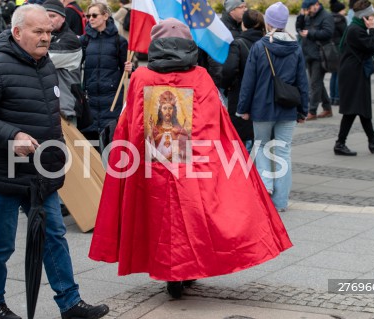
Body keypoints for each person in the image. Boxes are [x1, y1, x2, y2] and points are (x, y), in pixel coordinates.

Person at [89, 18, 292, 300]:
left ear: (156, 44)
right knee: (191, 216)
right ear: (189, 45)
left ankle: (170, 272)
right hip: (193, 164)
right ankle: (185, 269)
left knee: (158, 217)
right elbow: (216, 123)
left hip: (151, 163)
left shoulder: (142, 77)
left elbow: (129, 124)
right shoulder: (200, 77)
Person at [0, 4, 109, 319]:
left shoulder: (45, 64)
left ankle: (70, 303)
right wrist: (12, 135)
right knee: (0, 244)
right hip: (2, 173)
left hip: (41, 172)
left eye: (49, 31)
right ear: (18, 32)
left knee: (54, 238)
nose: (47, 37)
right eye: (39, 31)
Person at [237, 2, 309, 212]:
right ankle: (281, 202)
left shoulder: (260, 47)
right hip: (287, 108)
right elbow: (302, 82)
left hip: (261, 108)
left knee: (260, 147)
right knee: (283, 152)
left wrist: (243, 108)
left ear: (268, 23)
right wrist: (303, 109)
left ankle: (266, 187)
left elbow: (248, 81)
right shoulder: (295, 47)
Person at [334, 0, 374, 156]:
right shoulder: (356, 30)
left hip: (355, 73)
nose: (373, 19)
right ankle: (340, 143)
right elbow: (372, 46)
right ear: (364, 17)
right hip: (353, 75)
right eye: (371, 16)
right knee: (353, 109)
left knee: (361, 107)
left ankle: (372, 141)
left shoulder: (356, 27)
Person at [80, 2, 132, 145]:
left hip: (112, 99)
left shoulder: (119, 41)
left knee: (111, 141)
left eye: (94, 15)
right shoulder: (84, 40)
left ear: (105, 16)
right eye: (88, 15)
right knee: (91, 144)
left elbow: (127, 72)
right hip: (90, 99)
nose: (90, 18)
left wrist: (130, 68)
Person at [221, 9, 265, 152]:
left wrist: (226, 86)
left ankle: (246, 170)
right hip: (264, 95)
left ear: (244, 25)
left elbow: (228, 71)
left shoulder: (238, 44)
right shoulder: (267, 42)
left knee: (242, 139)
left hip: (241, 95)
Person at [43, 0, 83, 125]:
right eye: (45, 16)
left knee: (65, 145)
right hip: (45, 109)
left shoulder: (70, 41)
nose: (48, 20)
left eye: (52, 16)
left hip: (64, 110)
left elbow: (40, 57)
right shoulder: (45, 36)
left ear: (63, 18)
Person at [298, 0, 334, 120]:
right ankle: (327, 108)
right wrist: (301, 16)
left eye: (309, 8)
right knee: (317, 83)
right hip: (308, 53)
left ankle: (312, 111)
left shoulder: (326, 16)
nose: (308, 10)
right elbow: (299, 27)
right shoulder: (308, 15)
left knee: (314, 84)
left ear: (316, 5)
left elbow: (328, 33)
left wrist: (310, 33)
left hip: (319, 55)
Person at [204, 0, 247, 98]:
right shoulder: (219, 29)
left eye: (245, 6)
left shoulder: (243, 26)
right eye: (241, 7)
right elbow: (214, 58)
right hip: (224, 85)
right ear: (231, 10)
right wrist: (225, 82)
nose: (245, 10)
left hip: (239, 83)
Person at [146, 91, 189, 162]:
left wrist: (183, 133)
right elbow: (150, 152)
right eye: (165, 108)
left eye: (170, 108)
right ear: (160, 111)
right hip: (157, 168)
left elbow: (183, 152)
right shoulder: (155, 129)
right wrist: (151, 130)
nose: (167, 111)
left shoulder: (179, 129)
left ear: (174, 111)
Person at [329, 0, 347, 106]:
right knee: (339, 73)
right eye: (343, 10)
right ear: (339, 10)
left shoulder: (328, 18)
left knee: (334, 74)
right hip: (339, 48)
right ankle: (338, 98)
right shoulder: (341, 19)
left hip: (331, 48)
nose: (345, 12)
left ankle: (332, 97)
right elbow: (345, 34)